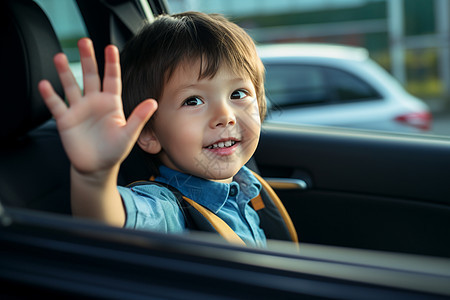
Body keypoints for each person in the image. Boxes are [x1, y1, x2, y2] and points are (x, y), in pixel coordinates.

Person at [38, 12, 269, 247]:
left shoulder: (244, 185)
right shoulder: (168, 210)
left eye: (237, 94)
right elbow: (109, 223)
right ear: (149, 134)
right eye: (193, 101)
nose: (225, 116)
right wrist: (94, 177)